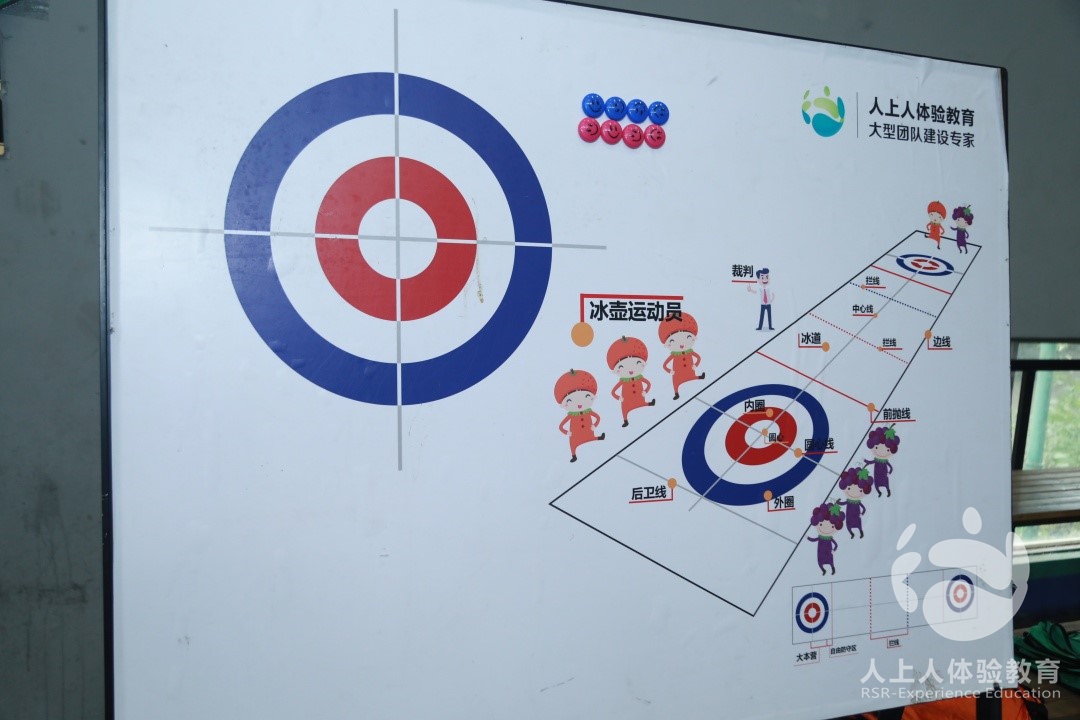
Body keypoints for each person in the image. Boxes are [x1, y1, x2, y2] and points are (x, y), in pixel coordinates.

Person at [554, 369, 605, 462]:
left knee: (589, 437)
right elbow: (561, 426)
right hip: (575, 434)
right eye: (570, 400)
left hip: (588, 431)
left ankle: (597, 438)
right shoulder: (571, 415)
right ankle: (574, 455)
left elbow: (597, 417)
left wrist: (595, 425)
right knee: (574, 443)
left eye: (586, 397)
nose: (579, 404)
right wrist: (567, 432)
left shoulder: (588, 412)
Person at [607, 336, 655, 427]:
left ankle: (648, 403)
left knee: (641, 402)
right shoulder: (623, 381)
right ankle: (625, 420)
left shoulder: (639, 378)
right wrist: (619, 398)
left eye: (636, 363)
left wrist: (645, 391)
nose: (630, 370)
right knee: (625, 409)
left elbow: (648, 383)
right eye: (622, 367)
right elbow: (613, 392)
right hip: (627, 400)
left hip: (639, 397)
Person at [659, 312, 705, 400]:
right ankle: (676, 393)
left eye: (687, 337)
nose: (681, 344)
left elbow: (698, 358)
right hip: (677, 373)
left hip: (689, 370)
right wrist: (670, 371)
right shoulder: (674, 355)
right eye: (673, 341)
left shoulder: (689, 352)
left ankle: (698, 377)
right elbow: (664, 365)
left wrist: (695, 365)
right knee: (676, 382)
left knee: (691, 376)